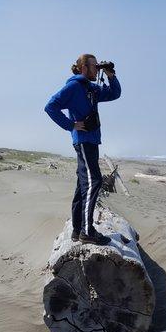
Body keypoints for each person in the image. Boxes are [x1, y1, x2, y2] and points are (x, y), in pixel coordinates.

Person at [44, 54, 121, 245]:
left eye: (98, 66)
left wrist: (110, 75)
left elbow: (114, 94)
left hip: (92, 140)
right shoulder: (74, 86)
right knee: (94, 181)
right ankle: (87, 232)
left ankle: (77, 229)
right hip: (84, 141)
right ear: (83, 68)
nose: (97, 69)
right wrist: (71, 125)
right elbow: (50, 107)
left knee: (82, 186)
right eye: (94, 66)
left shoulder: (91, 88)